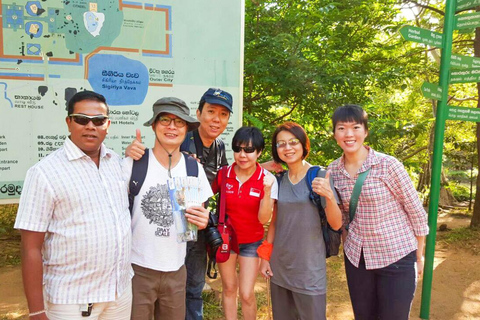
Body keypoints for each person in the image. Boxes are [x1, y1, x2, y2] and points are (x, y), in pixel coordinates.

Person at [125, 88, 283, 320]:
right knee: (163, 294)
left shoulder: (219, 147)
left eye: (223, 114)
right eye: (210, 111)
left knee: (192, 288)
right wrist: (133, 152)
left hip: (196, 227)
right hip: (161, 236)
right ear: (199, 113)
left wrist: (257, 166)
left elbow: (229, 175)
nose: (216, 119)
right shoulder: (181, 139)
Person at [14, 91, 132, 320]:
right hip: (71, 302)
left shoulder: (116, 163)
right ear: (69, 122)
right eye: (81, 119)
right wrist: (37, 311)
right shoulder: (44, 173)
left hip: (118, 295)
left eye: (98, 120)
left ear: (107, 125)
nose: (90, 126)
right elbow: (31, 248)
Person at [327, 104, 429, 320]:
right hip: (357, 259)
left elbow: (416, 213)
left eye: (355, 127)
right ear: (335, 134)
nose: (349, 134)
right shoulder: (333, 170)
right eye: (341, 128)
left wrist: (419, 256)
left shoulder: (387, 165)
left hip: (397, 256)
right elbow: (342, 217)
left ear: (365, 131)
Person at [125, 97, 212, 320]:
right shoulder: (133, 164)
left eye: (179, 122)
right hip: (137, 269)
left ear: (187, 129)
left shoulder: (194, 168)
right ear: (153, 125)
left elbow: (198, 215)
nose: (172, 127)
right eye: (165, 120)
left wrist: (203, 220)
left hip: (176, 269)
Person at [259, 122, 342, 320]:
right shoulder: (279, 179)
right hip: (280, 268)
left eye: (293, 142)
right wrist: (265, 257)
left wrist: (330, 197)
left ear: (304, 144)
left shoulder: (319, 176)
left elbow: (336, 224)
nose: (288, 148)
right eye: (281, 144)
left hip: (309, 271)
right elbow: (275, 222)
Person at [211, 126, 277, 320]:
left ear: (259, 152)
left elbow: (264, 219)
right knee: (229, 288)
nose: (242, 155)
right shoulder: (224, 174)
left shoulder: (267, 179)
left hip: (251, 242)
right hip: (226, 240)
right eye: (238, 149)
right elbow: (203, 195)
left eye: (249, 150)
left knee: (247, 294)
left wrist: (266, 192)